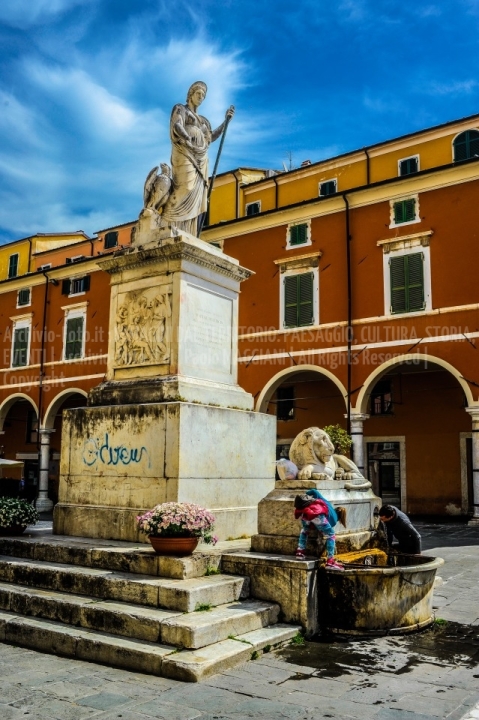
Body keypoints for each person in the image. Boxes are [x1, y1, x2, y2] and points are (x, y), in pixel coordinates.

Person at [162, 81, 235, 236]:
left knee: (196, 192)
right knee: (185, 187)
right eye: (198, 94)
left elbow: (211, 137)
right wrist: (187, 136)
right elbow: (177, 125)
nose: (201, 97)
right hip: (184, 152)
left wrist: (225, 122)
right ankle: (168, 222)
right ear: (191, 94)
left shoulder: (203, 121)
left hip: (201, 159)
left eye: (203, 95)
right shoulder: (180, 109)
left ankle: (187, 231)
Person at [294, 488, 346, 570]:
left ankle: (300, 552)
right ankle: (330, 561)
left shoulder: (324, 501)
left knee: (305, 530)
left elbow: (313, 491)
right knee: (331, 535)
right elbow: (324, 530)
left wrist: (306, 497)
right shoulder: (334, 518)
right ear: (341, 517)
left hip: (304, 512)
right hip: (317, 514)